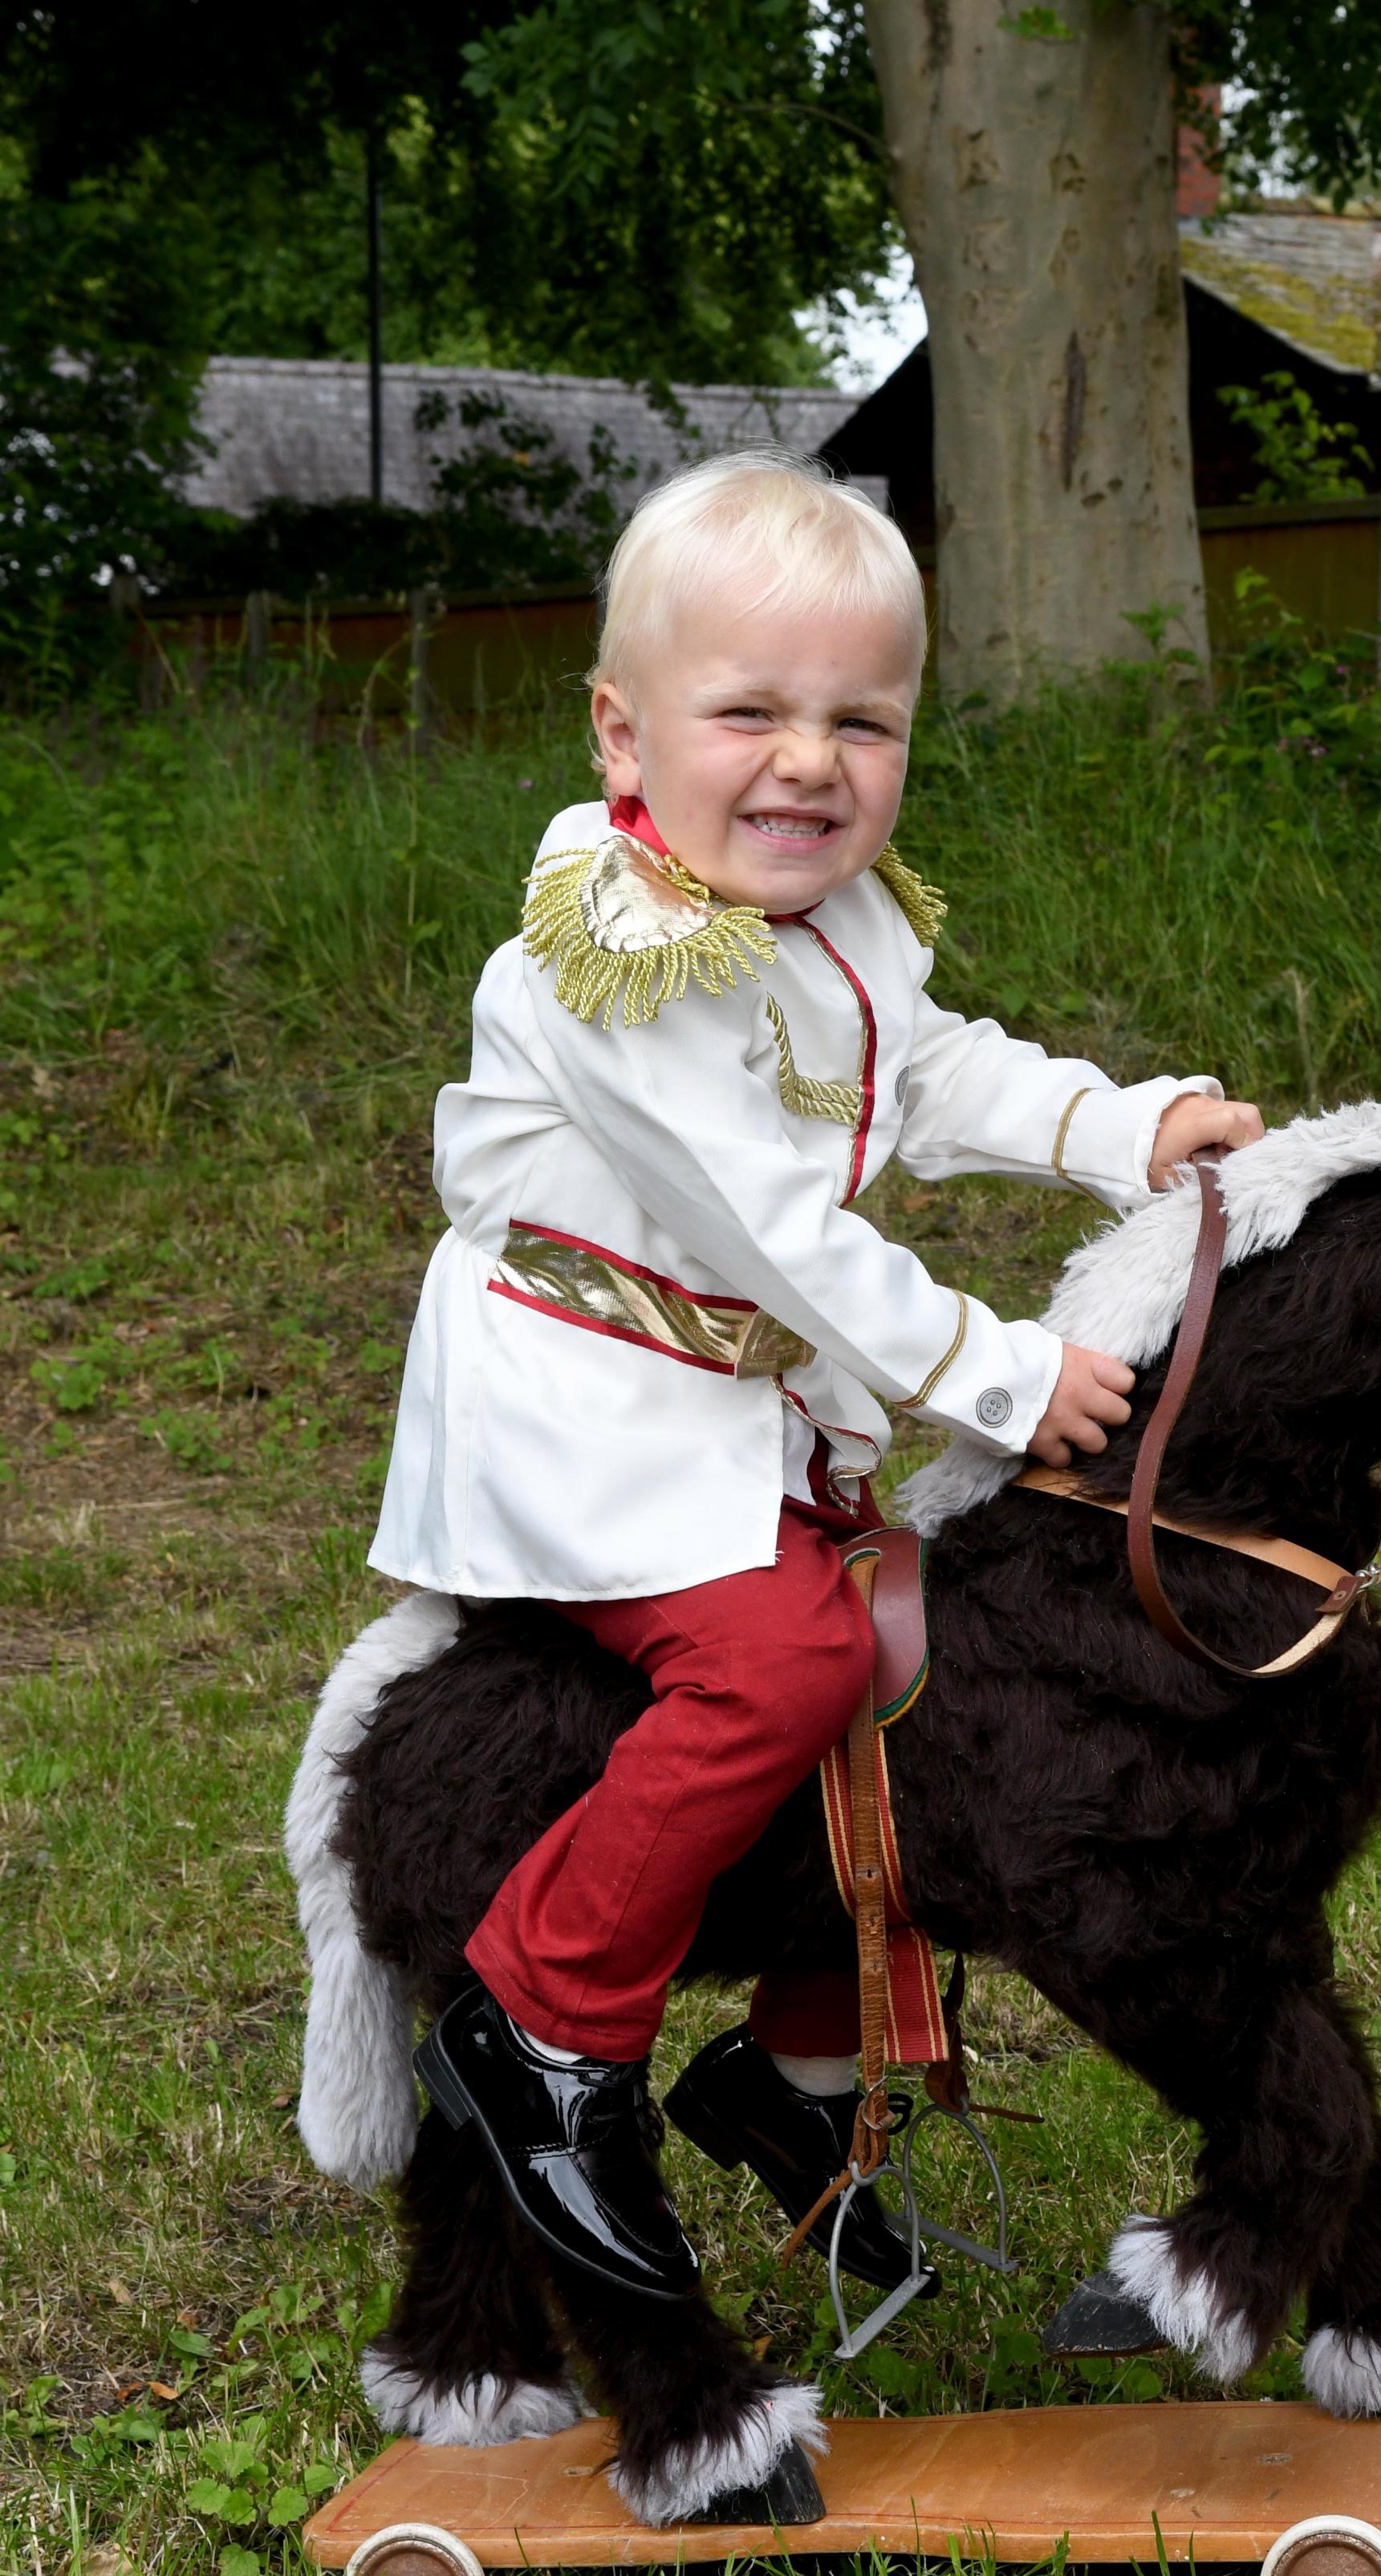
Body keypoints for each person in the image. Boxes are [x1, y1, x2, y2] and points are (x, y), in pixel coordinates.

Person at [370, 450, 1263, 2306]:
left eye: (863, 720)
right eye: (750, 711)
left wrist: (1124, 1124)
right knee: (782, 1654)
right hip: (593, 1408)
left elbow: (931, 1078)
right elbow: (781, 1228)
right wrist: (1001, 1371)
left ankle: (797, 2069)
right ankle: (547, 2018)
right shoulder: (612, 964)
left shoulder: (827, 923)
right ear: (623, 735)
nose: (812, 762)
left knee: (922, 1652)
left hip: (732, 1407)